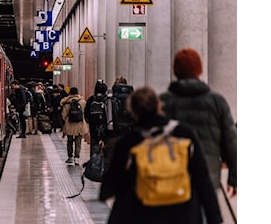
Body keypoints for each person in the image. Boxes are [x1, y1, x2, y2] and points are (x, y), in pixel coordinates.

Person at [100, 86, 222, 224]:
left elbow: (111, 183)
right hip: (183, 213)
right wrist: (215, 218)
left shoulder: (129, 141)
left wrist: (106, 193)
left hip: (142, 213)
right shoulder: (184, 133)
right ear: (159, 105)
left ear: (132, 110)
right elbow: (203, 179)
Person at [159, 48, 237, 199]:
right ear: (199, 70)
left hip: (171, 177)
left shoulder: (163, 102)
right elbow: (231, 142)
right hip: (207, 177)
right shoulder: (216, 102)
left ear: (176, 71)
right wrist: (234, 178)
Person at [100, 76, 134, 171]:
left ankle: (112, 184)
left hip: (112, 136)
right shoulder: (133, 98)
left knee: (110, 164)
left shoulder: (109, 98)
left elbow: (104, 118)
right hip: (129, 136)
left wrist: (101, 137)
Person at [61, 87, 89, 165]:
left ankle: (70, 156)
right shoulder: (82, 102)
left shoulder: (66, 103)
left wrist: (65, 120)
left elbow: (64, 115)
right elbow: (85, 112)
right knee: (78, 141)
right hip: (80, 124)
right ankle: (76, 157)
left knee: (69, 141)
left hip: (69, 124)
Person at [84, 79, 108, 157]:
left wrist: (89, 121)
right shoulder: (106, 99)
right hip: (104, 126)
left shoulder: (91, 99)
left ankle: (94, 161)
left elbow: (86, 113)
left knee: (94, 142)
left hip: (93, 125)